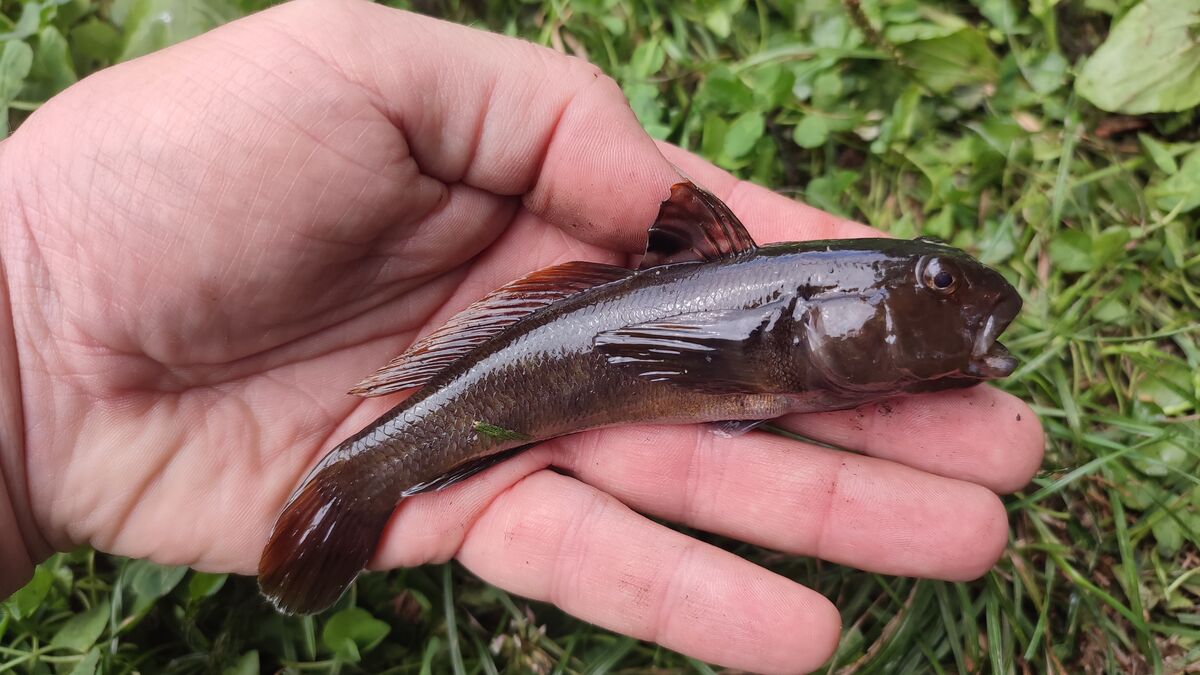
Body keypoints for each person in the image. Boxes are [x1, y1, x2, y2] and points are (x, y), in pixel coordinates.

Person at [0, 0, 1044, 672]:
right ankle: (361, 483)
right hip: (481, 390)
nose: (953, 295)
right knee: (399, 452)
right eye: (935, 282)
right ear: (814, 320)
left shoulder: (786, 342)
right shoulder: (768, 329)